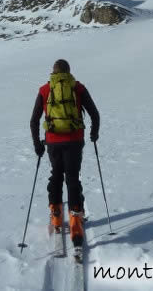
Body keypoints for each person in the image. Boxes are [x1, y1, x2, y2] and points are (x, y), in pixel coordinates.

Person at [30, 59, 100, 247]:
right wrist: (94, 133)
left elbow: (34, 120)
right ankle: (76, 220)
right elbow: (95, 113)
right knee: (72, 178)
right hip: (75, 141)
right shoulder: (78, 88)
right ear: (69, 72)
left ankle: (56, 215)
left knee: (56, 175)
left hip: (53, 142)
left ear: (53, 72)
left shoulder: (45, 90)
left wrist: (38, 144)